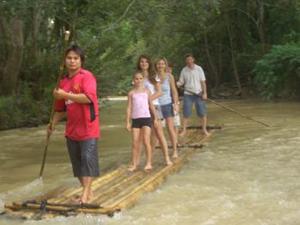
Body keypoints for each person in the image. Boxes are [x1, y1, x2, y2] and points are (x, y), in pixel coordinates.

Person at [47, 45, 100, 204]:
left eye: (76, 58)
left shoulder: (87, 76)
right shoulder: (62, 82)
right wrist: (52, 124)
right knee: (77, 165)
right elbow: (61, 109)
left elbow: (89, 98)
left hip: (88, 128)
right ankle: (88, 192)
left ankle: (84, 196)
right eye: (69, 58)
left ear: (81, 61)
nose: (72, 61)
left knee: (87, 160)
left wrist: (65, 94)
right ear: (65, 61)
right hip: (72, 130)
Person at [137, 55, 173, 166]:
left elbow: (159, 92)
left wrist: (146, 100)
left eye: (146, 62)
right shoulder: (137, 77)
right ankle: (145, 160)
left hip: (155, 108)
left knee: (159, 133)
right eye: (142, 62)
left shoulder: (154, 76)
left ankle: (167, 158)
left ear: (149, 64)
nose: (144, 63)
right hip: (141, 110)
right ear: (139, 64)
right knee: (143, 136)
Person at [126, 72, 158, 172]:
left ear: (143, 80)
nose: (138, 80)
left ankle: (148, 163)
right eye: (136, 79)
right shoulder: (131, 93)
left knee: (146, 141)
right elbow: (129, 108)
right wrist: (128, 122)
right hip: (135, 119)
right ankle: (135, 164)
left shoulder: (147, 91)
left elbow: (151, 105)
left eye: (140, 78)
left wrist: (155, 118)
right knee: (135, 142)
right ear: (133, 80)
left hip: (146, 118)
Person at [177, 53, 210, 136]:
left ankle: (204, 129)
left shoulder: (199, 69)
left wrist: (205, 93)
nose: (189, 61)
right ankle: (184, 130)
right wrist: (178, 84)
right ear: (186, 61)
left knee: (202, 113)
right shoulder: (184, 70)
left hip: (199, 93)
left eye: (190, 59)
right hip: (188, 94)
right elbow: (181, 82)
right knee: (186, 113)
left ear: (193, 59)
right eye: (187, 60)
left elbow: (203, 82)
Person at [155, 57, 180, 158]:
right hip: (156, 106)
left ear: (165, 65)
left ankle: (174, 150)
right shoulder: (153, 77)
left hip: (167, 104)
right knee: (158, 130)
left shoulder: (170, 76)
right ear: (156, 65)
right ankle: (164, 151)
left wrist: (176, 104)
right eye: (158, 64)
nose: (160, 65)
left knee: (170, 128)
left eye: (162, 64)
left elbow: (174, 91)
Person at [166, 63, 181, 139]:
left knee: (176, 123)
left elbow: (176, 92)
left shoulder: (173, 78)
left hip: (173, 102)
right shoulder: (160, 78)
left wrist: (176, 103)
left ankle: (176, 139)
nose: (169, 70)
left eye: (170, 69)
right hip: (165, 103)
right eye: (167, 68)